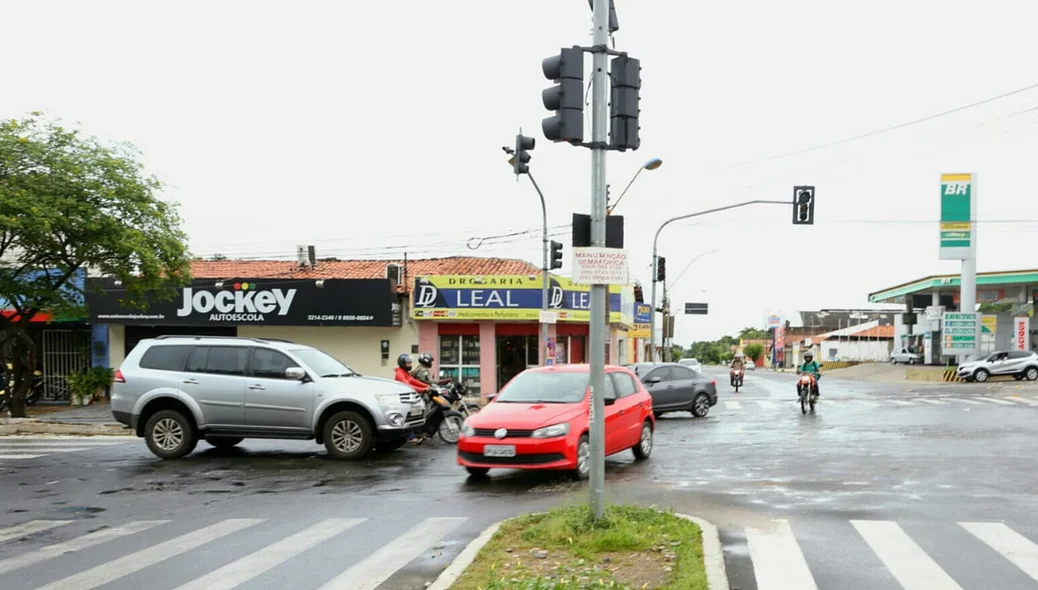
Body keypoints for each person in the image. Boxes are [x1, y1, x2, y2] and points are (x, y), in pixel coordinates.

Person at [394, 354, 430, 443]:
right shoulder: (400, 374)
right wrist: (424, 389)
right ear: (403, 363)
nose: (410, 365)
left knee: (414, 415)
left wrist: (427, 386)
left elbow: (414, 381)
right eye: (408, 363)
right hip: (401, 400)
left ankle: (416, 434)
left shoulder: (404, 372)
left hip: (407, 398)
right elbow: (409, 386)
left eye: (410, 363)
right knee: (408, 417)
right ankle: (410, 437)